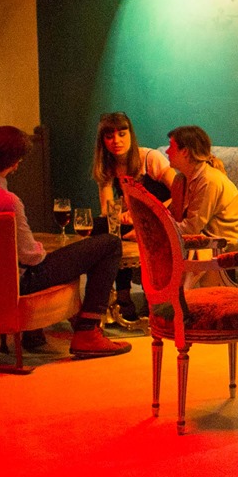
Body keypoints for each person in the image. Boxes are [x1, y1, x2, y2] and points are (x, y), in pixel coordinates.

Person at [0, 126, 130, 359]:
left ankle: (35, 333)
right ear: (15, 162)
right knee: (108, 244)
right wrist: (40, 247)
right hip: (11, 287)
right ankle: (87, 332)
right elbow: (31, 257)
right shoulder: (7, 202)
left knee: (64, 257)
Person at [92, 112, 173, 322]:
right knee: (101, 228)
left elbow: (181, 193)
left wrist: (146, 215)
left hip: (162, 218)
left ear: (130, 134)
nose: (116, 141)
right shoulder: (107, 167)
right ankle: (120, 297)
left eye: (122, 133)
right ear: (103, 140)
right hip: (134, 222)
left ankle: (133, 299)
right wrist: (120, 216)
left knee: (111, 234)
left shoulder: (149, 158)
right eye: (109, 136)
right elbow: (107, 210)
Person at [165, 125, 238, 247]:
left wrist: (156, 232)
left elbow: (191, 229)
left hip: (230, 246)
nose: (166, 151)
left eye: (171, 146)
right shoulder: (180, 180)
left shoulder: (209, 181)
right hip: (205, 243)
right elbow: (173, 218)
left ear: (185, 152)